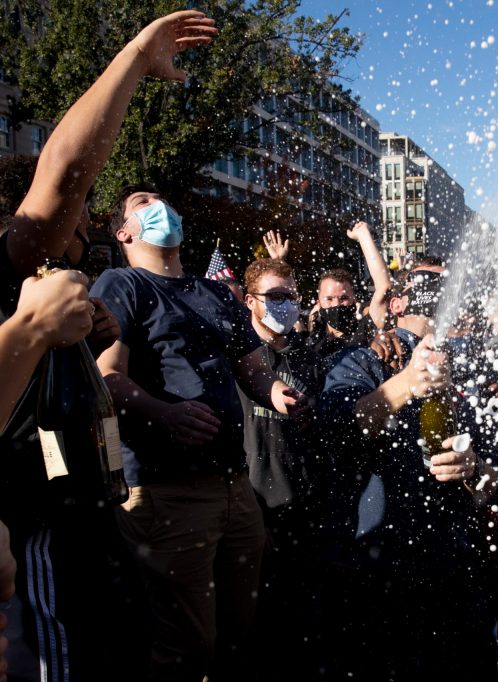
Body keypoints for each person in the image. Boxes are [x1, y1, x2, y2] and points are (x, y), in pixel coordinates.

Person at [0, 11, 217, 682]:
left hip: (94, 519)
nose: (83, 221)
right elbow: (63, 172)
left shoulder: (64, 298)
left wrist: (71, 336)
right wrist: (134, 58)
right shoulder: (17, 276)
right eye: (81, 213)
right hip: (42, 538)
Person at [92, 181, 307, 681]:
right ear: (124, 232)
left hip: (235, 487)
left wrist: (273, 390)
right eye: (143, 205)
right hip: (167, 493)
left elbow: (251, 367)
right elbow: (106, 377)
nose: (159, 206)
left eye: (161, 199)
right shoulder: (119, 286)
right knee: (187, 644)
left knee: (241, 630)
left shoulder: (215, 294)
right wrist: (161, 412)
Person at [318, 260, 498, 679]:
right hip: (376, 569)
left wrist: (472, 467)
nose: (435, 298)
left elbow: (491, 481)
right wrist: (405, 385)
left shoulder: (463, 376)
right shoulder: (361, 362)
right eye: (424, 289)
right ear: (397, 303)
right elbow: (335, 431)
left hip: (450, 567)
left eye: (443, 289)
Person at [239, 258, 324, 680]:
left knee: (298, 627)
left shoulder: (310, 356)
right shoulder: (235, 357)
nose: (285, 305)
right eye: (274, 297)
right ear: (250, 299)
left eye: (290, 296)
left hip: (301, 507)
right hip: (249, 508)